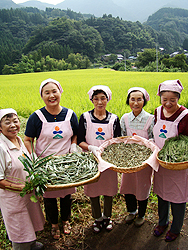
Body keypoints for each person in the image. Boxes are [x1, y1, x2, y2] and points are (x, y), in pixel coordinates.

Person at [24, 78, 79, 239]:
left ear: (60, 92)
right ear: (41, 96)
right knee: (49, 197)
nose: (51, 95)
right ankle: (54, 224)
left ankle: (66, 220)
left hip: (66, 163)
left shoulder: (70, 115)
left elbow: (75, 133)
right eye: (46, 92)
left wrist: (73, 146)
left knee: (66, 195)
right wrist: (33, 156)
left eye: (54, 91)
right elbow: (28, 139)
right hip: (45, 164)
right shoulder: (37, 117)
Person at [77, 85, 121, 233]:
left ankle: (107, 216)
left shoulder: (114, 119)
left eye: (103, 98)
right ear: (92, 100)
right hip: (90, 160)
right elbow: (80, 140)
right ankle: (97, 218)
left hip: (108, 160)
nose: (100, 102)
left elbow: (117, 141)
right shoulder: (85, 117)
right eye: (96, 99)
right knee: (93, 190)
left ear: (108, 99)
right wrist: (91, 148)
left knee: (109, 190)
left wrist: (108, 153)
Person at [0, 108, 45, 250]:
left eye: (15, 121)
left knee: (29, 221)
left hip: (28, 194)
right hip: (14, 197)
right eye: (7, 123)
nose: (13, 125)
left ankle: (32, 244)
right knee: (19, 229)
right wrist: (22, 188)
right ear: (0, 128)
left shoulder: (18, 140)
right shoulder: (1, 147)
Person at [153, 79, 188, 242]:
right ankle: (162, 223)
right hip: (160, 162)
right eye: (164, 99)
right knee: (162, 194)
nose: (167, 104)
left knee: (178, 196)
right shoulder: (157, 111)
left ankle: (176, 228)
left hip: (178, 164)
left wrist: (177, 156)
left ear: (178, 99)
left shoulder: (185, 115)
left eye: (172, 100)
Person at [120, 87, 154, 227]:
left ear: (144, 101)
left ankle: (141, 214)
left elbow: (152, 138)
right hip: (128, 159)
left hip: (144, 160)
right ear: (128, 101)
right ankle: (131, 211)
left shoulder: (150, 118)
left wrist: (144, 145)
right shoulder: (125, 118)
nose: (135, 103)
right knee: (128, 185)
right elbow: (121, 138)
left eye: (139, 99)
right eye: (132, 99)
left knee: (143, 186)